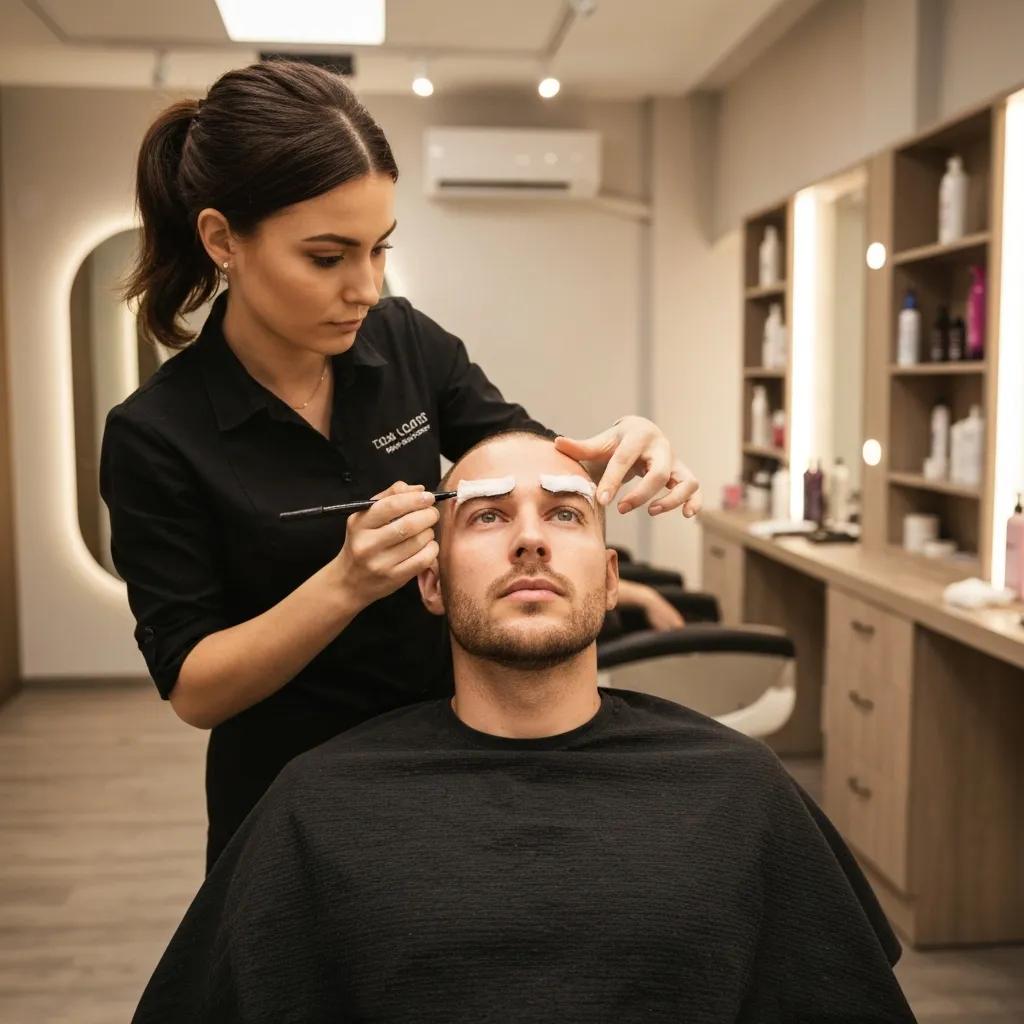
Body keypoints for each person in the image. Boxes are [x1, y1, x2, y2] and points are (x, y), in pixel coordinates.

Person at [99, 59, 702, 872]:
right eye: (327, 257)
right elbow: (196, 688)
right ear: (222, 240)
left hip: (448, 758)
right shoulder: (157, 435)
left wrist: (624, 448)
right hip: (290, 795)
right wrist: (344, 583)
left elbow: (528, 461)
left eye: (378, 250)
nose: (365, 287)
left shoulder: (405, 343)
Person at [130, 431, 916, 1024]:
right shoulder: (317, 807)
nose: (531, 538)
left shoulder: (742, 790)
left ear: (611, 580)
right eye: (488, 515)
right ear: (432, 582)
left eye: (566, 514)